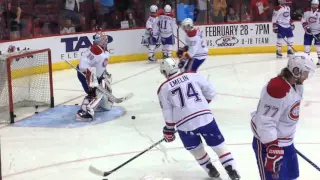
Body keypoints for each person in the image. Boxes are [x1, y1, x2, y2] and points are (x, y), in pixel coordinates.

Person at [157, 58, 240, 180]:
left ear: (165, 71)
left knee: (195, 149)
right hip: (205, 118)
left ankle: (210, 169)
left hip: (184, 125)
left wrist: (169, 129)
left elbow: (167, 111)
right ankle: (232, 170)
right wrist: (201, 106)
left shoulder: (163, 88)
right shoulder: (193, 75)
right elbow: (211, 92)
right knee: (219, 145)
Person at [251, 52, 316, 180]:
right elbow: (265, 121)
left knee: (291, 177)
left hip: (286, 143)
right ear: (296, 71)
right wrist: (273, 146)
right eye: (305, 73)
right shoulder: (277, 89)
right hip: (269, 145)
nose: (307, 76)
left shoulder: (295, 85)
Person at [76, 32, 113, 121]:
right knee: (93, 92)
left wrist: (104, 73)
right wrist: (91, 77)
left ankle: (101, 103)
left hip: (97, 74)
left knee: (104, 90)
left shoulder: (103, 50)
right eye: (103, 39)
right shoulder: (94, 50)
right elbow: (82, 65)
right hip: (87, 75)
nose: (106, 41)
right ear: (99, 41)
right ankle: (84, 112)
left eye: (105, 39)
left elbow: (101, 64)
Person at [302, 0, 320, 66]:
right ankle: (307, 61)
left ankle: (319, 60)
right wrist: (306, 26)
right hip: (308, 32)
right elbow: (303, 20)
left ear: (318, 5)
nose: (314, 6)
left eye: (315, 5)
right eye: (313, 4)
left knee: (318, 47)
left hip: (318, 32)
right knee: (307, 47)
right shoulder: (307, 11)